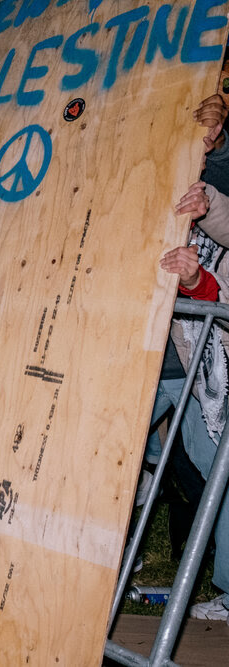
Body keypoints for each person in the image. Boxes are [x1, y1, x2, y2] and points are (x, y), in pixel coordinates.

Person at [159, 178, 229, 624]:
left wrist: (196, 281)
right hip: (129, 359)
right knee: (100, 461)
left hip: (194, 368)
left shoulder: (210, 197)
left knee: (220, 477)